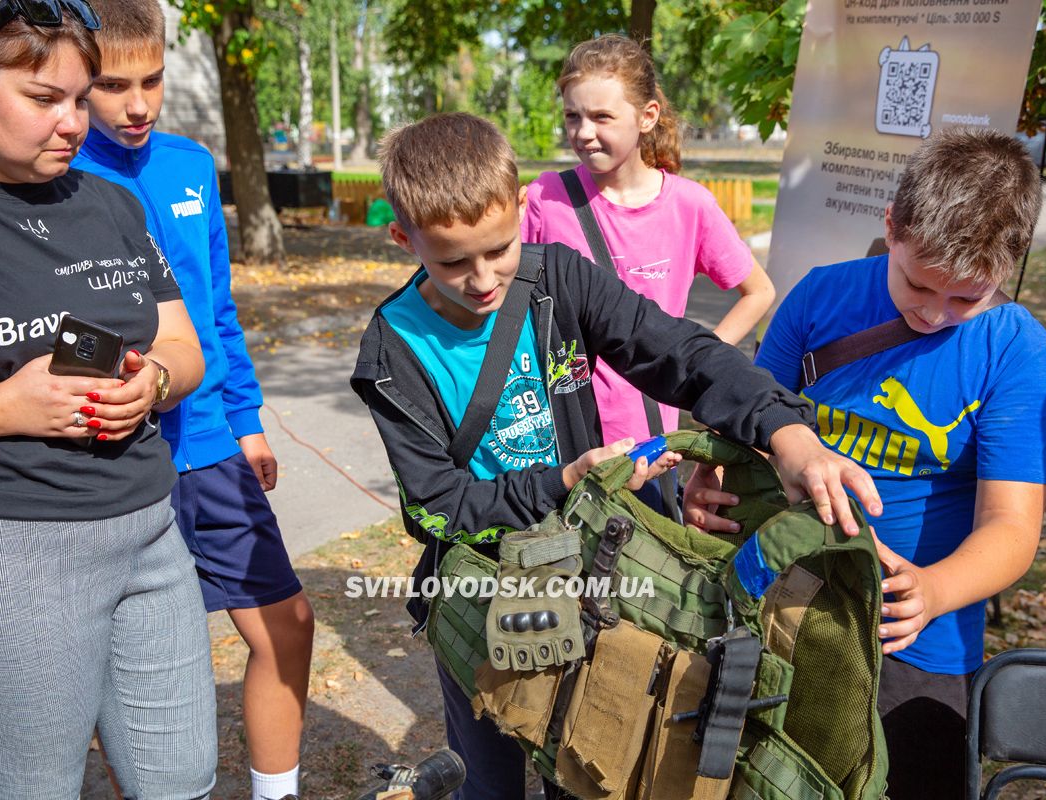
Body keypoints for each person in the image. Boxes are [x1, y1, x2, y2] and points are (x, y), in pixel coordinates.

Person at [349, 112, 882, 800]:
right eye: (453, 260)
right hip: (479, 595)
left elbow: (681, 354)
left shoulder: (560, 280)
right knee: (491, 776)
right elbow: (436, 508)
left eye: (500, 249)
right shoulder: (392, 352)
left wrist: (788, 433)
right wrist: (565, 483)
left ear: (520, 209)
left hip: (589, 583)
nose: (483, 279)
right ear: (403, 236)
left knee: (590, 766)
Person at [0, 1, 216, 798]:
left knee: (181, 780)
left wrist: (153, 385)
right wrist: (1, 408)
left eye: (81, 99)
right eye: (44, 99)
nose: (73, 122)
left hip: (147, 532)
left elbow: (184, 347)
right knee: (34, 788)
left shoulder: (111, 204)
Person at [750, 127, 1046, 800]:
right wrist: (720, 479)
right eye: (919, 286)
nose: (933, 314)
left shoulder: (1016, 351)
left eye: (965, 299)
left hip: (914, 647)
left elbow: (1012, 527)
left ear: (1007, 269)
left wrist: (933, 592)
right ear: (891, 227)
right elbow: (753, 422)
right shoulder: (818, 297)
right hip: (784, 609)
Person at [71, 3, 314, 799]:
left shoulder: (190, 165)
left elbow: (216, 311)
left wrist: (244, 422)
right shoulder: (60, 175)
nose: (137, 105)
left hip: (210, 444)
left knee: (288, 626)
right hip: (119, 452)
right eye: (111, 85)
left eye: (152, 79)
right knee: (129, 663)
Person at [522, 35, 775, 521]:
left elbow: (758, 291)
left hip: (649, 448)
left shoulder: (689, 204)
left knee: (634, 588)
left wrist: (696, 367)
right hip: (560, 439)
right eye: (573, 116)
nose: (584, 132)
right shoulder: (544, 197)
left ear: (648, 117)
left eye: (601, 117)